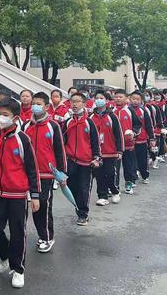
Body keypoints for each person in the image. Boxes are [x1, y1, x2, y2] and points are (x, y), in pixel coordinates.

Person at [0, 98, 40, 289]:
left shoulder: (23, 139)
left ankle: (18, 269)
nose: (1, 118)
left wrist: (34, 195)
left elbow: (32, 168)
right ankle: (7, 256)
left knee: (18, 233)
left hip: (17, 195)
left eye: (5, 115)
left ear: (16, 118)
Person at [22, 92, 66, 253]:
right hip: (29, 174)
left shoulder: (53, 126)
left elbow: (59, 150)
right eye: (34, 103)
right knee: (35, 206)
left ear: (47, 106)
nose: (35, 105)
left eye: (39, 103)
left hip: (47, 173)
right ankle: (42, 235)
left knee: (44, 205)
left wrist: (62, 173)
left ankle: (47, 237)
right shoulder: (26, 126)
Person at [63, 92, 101, 226]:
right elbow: (63, 142)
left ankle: (83, 214)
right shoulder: (67, 122)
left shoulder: (89, 122)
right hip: (71, 161)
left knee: (84, 188)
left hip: (86, 162)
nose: (74, 104)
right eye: (72, 101)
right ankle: (78, 208)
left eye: (78, 101)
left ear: (84, 104)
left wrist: (97, 157)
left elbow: (95, 142)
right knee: (72, 187)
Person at [90, 90, 123, 206]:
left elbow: (119, 134)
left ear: (107, 101)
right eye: (96, 98)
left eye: (101, 98)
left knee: (109, 173)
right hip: (96, 153)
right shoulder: (90, 117)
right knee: (99, 175)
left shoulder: (112, 117)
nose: (98, 100)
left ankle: (115, 191)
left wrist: (119, 150)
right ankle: (102, 196)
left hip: (110, 151)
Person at [113, 89, 140, 195]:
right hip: (114, 145)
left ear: (126, 98)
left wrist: (133, 133)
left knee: (128, 165)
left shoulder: (130, 111)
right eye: (116, 97)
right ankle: (115, 187)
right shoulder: (111, 111)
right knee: (114, 167)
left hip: (128, 144)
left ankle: (129, 183)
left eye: (121, 97)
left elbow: (137, 125)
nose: (118, 99)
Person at [129, 91, 155, 184]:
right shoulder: (126, 110)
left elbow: (149, 125)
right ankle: (133, 178)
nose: (135, 101)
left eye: (137, 99)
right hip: (130, 141)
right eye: (133, 99)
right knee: (132, 161)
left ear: (141, 101)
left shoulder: (143, 110)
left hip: (142, 140)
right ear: (129, 99)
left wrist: (152, 138)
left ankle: (145, 175)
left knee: (143, 159)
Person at [144, 90, 164, 169]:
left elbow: (158, 118)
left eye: (147, 95)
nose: (146, 97)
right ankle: (153, 158)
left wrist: (159, 127)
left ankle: (155, 158)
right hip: (146, 130)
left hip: (154, 129)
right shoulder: (142, 107)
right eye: (144, 95)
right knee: (149, 146)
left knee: (153, 146)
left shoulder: (154, 106)